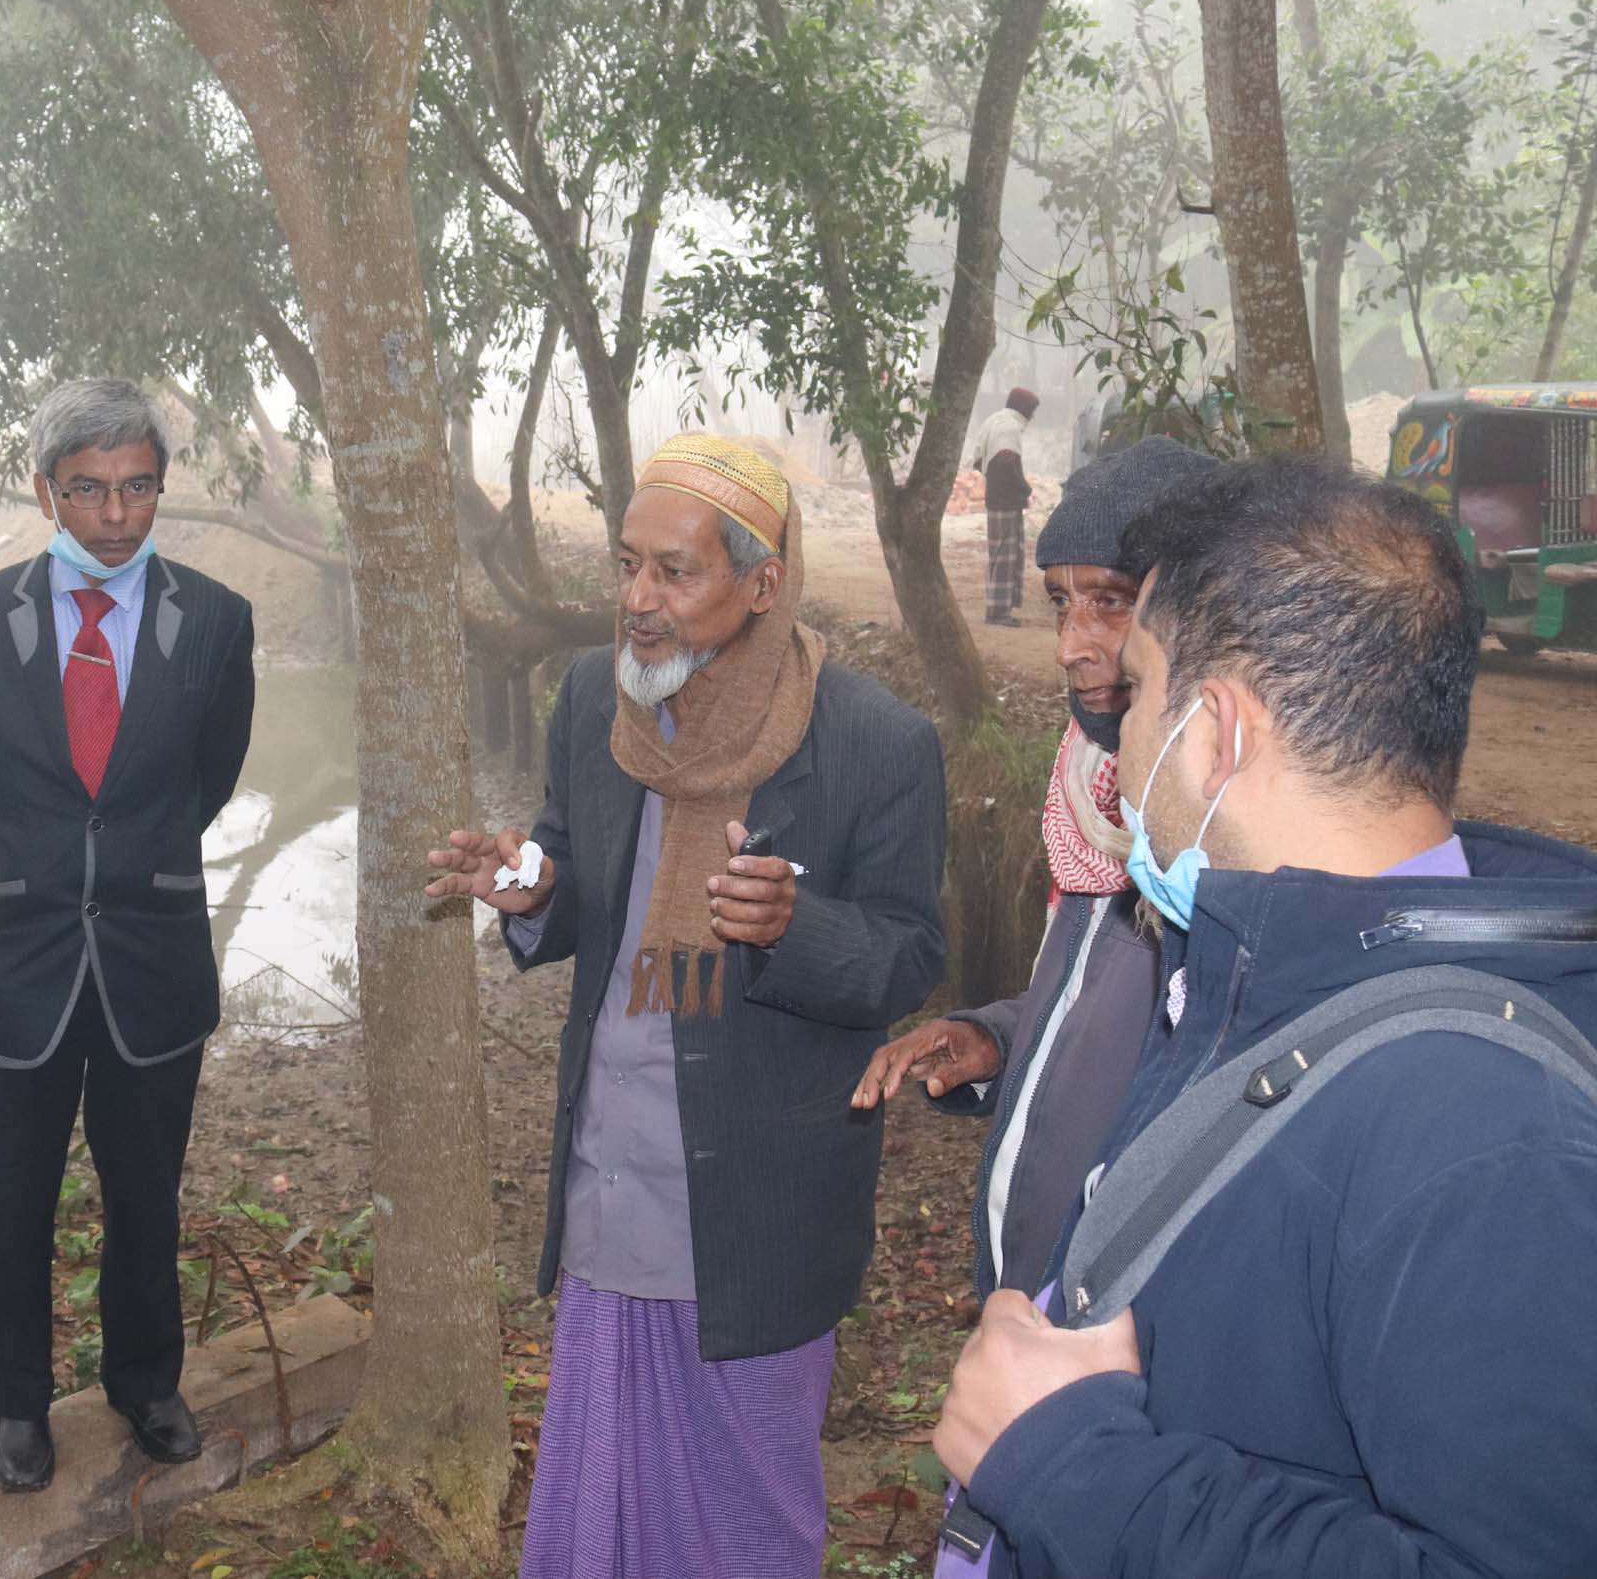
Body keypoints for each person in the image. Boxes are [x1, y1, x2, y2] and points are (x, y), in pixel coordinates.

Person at [931, 459, 1597, 1577]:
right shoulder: (1243, 982)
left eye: (1135, 690)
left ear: (1216, 732)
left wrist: (1073, 1466)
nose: (1118, 749)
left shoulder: (1509, 1149)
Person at [426, 434, 949, 1579]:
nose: (638, 603)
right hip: (614, 1171)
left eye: (675, 572)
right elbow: (575, 876)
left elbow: (908, 957)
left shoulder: (874, 744)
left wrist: (791, 926)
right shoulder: (592, 704)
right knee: (603, 1486)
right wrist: (527, 882)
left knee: (745, 1509)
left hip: (758, 1201)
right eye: (627, 567)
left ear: (764, 581)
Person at [0, 378, 256, 1493]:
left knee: (146, 1191)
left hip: (153, 958)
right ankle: (14, 1399)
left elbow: (208, 776)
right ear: (46, 489)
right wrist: (33, 865)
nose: (116, 514)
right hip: (17, 960)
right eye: (89, 490)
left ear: (159, 485)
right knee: (10, 1197)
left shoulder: (214, 619)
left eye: (138, 487)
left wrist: (121, 863)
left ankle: (146, 1381)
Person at [851, 438, 1217, 1297]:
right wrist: (1000, 1038)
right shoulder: (1089, 797)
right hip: (1029, 1301)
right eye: (1060, 605)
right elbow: (1103, 1007)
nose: (1071, 646)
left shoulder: (1220, 850)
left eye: (1112, 603)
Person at [973, 387, 1038, 626]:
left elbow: (980, 460)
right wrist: (1025, 489)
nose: (1032, 417)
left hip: (997, 499)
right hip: (1006, 502)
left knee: (1000, 554)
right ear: (1025, 409)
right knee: (1005, 556)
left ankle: (999, 609)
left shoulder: (995, 420)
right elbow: (1005, 463)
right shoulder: (1009, 427)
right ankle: (998, 613)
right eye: (1032, 411)